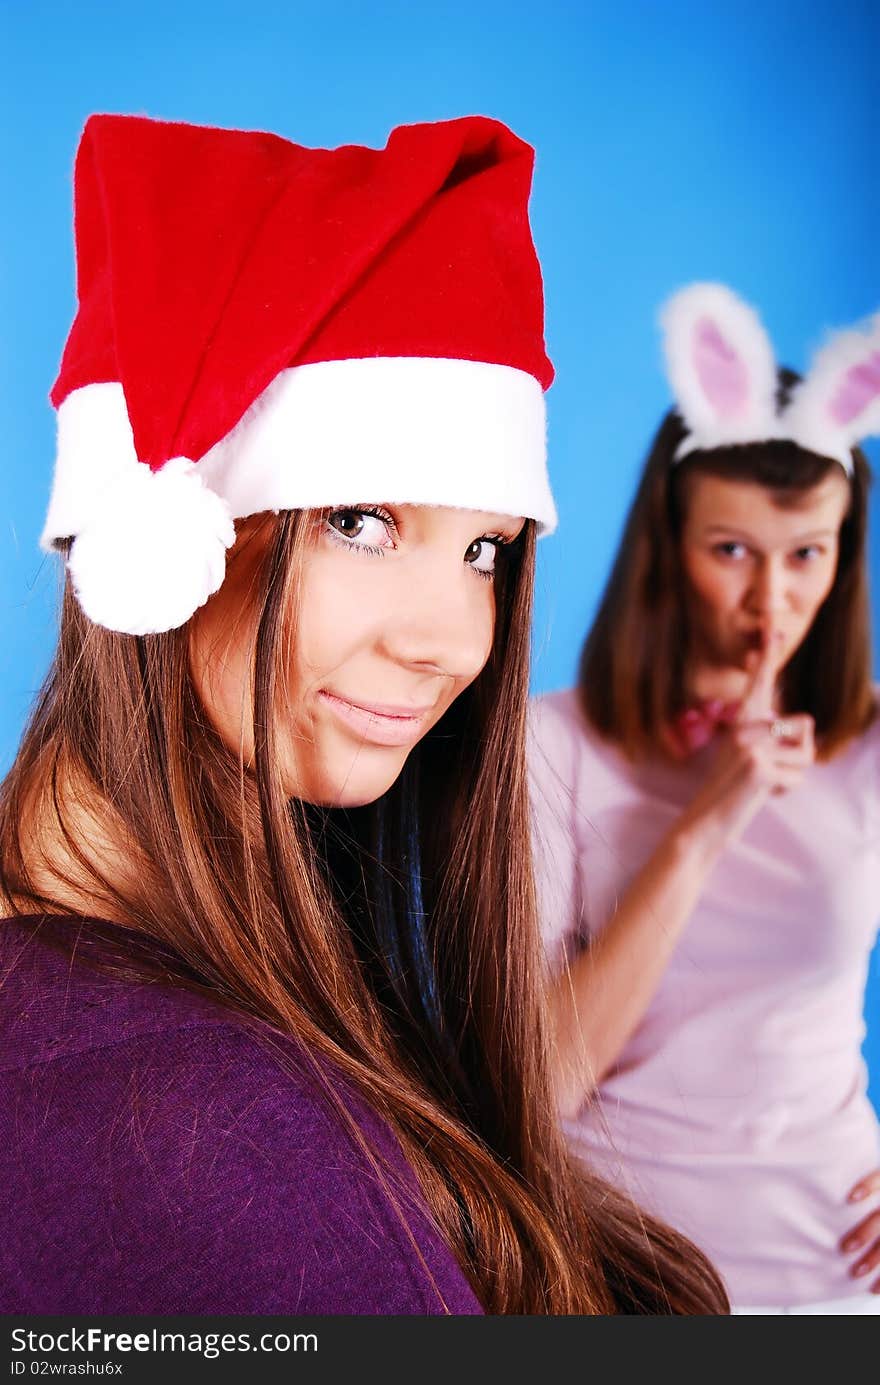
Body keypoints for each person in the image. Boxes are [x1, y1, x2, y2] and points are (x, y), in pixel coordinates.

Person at [0, 114, 727, 1315]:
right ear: (158, 541)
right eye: (360, 521)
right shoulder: (203, 1124)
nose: (451, 641)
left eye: (486, 548)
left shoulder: (210, 984)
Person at [530, 282, 880, 1314]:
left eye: (805, 554)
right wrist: (701, 827)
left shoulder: (868, 744)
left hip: (834, 1280)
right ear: (667, 549)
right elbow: (539, 1079)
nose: (771, 602)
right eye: (731, 551)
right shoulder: (552, 748)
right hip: (611, 1279)